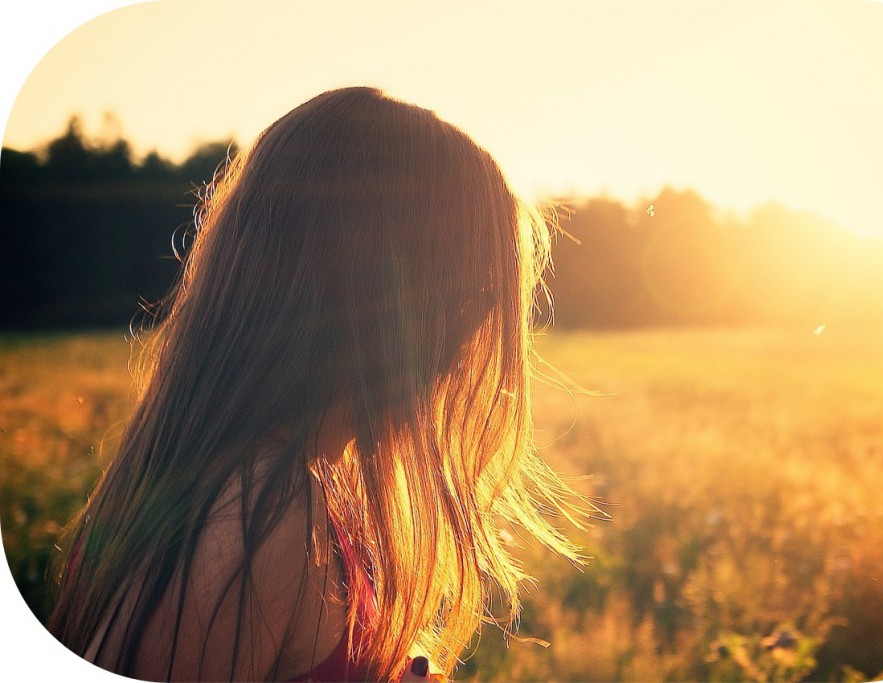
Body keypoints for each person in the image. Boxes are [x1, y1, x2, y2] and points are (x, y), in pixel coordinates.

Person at [47, 87, 588, 682]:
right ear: (394, 309)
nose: (468, 351)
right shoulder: (257, 509)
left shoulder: (239, 482)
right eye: (472, 302)